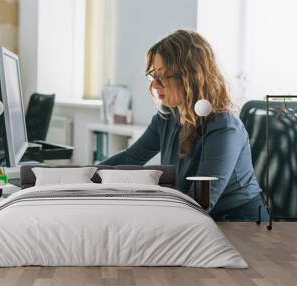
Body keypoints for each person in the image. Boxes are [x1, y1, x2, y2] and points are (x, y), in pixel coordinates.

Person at [101, 29, 268, 221]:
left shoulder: (224, 128)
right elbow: (130, 157)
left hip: (239, 225)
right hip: (198, 218)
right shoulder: (167, 117)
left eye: (162, 76)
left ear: (189, 77)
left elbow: (200, 202)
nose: (155, 85)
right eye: (152, 75)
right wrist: (84, 178)